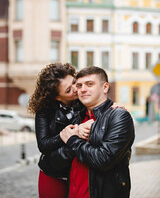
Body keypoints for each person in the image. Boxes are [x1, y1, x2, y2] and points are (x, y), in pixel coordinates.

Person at [28, 63, 126, 198]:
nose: (76, 89)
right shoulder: (45, 110)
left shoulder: (83, 101)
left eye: (75, 82)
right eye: (68, 90)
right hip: (54, 172)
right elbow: (43, 145)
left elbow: (100, 100)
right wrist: (66, 135)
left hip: (79, 171)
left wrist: (112, 106)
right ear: (58, 97)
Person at [51, 66, 135, 198]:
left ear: (105, 87)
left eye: (90, 84)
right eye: (79, 85)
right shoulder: (76, 118)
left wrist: (72, 140)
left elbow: (104, 159)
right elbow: (53, 161)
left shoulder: (118, 116)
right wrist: (69, 138)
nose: (83, 89)